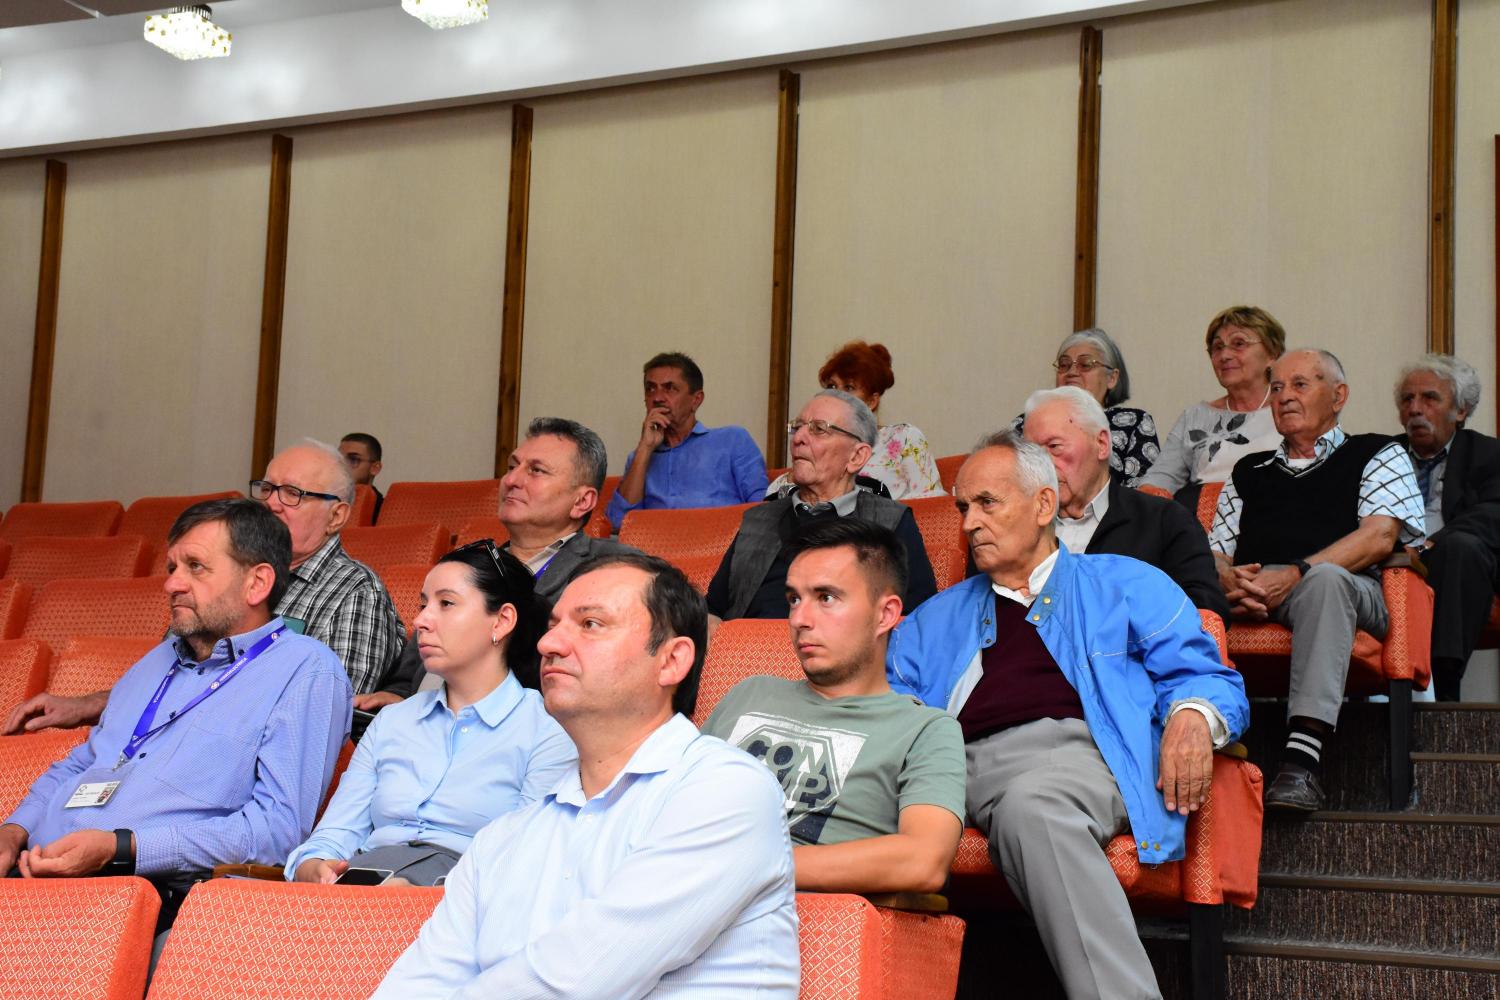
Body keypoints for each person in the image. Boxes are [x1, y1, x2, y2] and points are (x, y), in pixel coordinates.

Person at [887, 432, 1248, 999]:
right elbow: (890, 709)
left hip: (1075, 759)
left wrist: (1192, 717)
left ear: (1043, 505)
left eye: (987, 503)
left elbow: (1208, 677)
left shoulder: (1123, 584)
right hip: (949, 769)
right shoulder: (933, 618)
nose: (969, 524)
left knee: (1034, 807)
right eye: (962, 508)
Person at [372, 552, 799, 997]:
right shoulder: (502, 839)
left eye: (591, 624)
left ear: (671, 660)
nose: (548, 644)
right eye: (553, 625)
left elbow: (576, 981)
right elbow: (416, 984)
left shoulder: (724, 790)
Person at [0, 499, 351, 928]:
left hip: (144, 898)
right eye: (172, 567)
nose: (171, 584)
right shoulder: (156, 661)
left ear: (257, 583)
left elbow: (276, 831)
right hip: (31, 875)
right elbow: (83, 763)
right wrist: (13, 831)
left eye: (195, 567)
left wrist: (122, 848)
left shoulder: (306, 670)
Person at [3, 440, 404, 734]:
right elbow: (166, 680)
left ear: (337, 516)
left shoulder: (356, 591)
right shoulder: (219, 576)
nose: (272, 503)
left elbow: (325, 718)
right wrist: (87, 705)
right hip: (166, 744)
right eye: (267, 489)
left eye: (293, 494)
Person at [287, 541, 576, 887]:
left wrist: (426, 894)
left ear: (502, 621)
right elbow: (335, 833)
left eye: (446, 603)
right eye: (424, 605)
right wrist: (313, 865)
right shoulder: (392, 721)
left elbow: (527, 860)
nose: (421, 620)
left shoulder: (547, 729)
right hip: (362, 885)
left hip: (463, 895)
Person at [1210, 349, 1423, 811]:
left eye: (1300, 385)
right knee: (1183, 590)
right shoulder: (1248, 470)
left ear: (1338, 396)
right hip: (1256, 588)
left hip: (1348, 590)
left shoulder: (1378, 452)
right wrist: (1228, 581)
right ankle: (1195, 744)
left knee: (1325, 580)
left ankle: (1301, 764)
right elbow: (1216, 551)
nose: (1284, 397)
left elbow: (1380, 536)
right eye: (1277, 388)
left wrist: (1295, 574)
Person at [702, 518, 965, 893]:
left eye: (826, 598)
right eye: (794, 599)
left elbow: (924, 860)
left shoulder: (925, 730)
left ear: (885, 614)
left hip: (784, 909)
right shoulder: (749, 692)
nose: (799, 619)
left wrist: (742, 867)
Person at [358, 418, 635, 708]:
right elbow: (409, 674)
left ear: (582, 501)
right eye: (512, 466)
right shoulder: (471, 567)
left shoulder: (614, 570)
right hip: (422, 718)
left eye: (536, 470)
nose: (511, 480)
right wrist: (398, 697)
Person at [706, 389, 938, 621]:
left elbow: (920, 620)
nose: (798, 439)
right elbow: (712, 611)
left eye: (819, 429)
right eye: (797, 427)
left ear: (856, 457)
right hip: (750, 643)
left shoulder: (891, 521)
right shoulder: (758, 520)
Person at [1022, 386, 1229, 621]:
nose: (1042, 464)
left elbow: (1206, 610)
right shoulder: (1015, 526)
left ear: (1101, 444)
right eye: (1032, 453)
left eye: (1054, 447)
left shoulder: (1163, 521)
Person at [1394, 354, 1500, 701]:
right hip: (1391, 561)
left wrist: (1430, 545)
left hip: (1453, 564)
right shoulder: (1382, 455)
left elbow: (1492, 513)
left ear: (1461, 410)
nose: (1415, 409)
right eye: (1407, 399)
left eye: (1430, 398)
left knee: (1462, 548)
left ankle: (1444, 687)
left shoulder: (1488, 454)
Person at [1137, 306, 1287, 510]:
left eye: (1239, 344)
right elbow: (1162, 477)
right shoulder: (1195, 416)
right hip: (1202, 520)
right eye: (1217, 347)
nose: (1224, 355)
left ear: (1272, 354)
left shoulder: (1290, 410)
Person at [606, 351, 768, 529]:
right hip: (656, 545)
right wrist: (645, 448)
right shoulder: (639, 458)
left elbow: (764, 513)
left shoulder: (732, 441)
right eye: (650, 389)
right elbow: (619, 523)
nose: (657, 398)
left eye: (669, 388)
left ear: (696, 400)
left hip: (720, 543)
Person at [766, 341, 944, 499]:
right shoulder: (817, 438)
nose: (836, 394)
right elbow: (771, 499)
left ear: (872, 401)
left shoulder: (904, 437)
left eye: (849, 387)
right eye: (832, 386)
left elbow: (932, 502)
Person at [1014, 327, 1158, 486]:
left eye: (1086, 364)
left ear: (1112, 378)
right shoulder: (1027, 422)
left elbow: (1142, 491)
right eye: (1064, 365)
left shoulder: (1134, 423)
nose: (1072, 372)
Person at [340, 432, 385, 521]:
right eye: (339, 459)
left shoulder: (383, 511)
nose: (343, 465)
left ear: (375, 468)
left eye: (353, 459)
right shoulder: (327, 502)